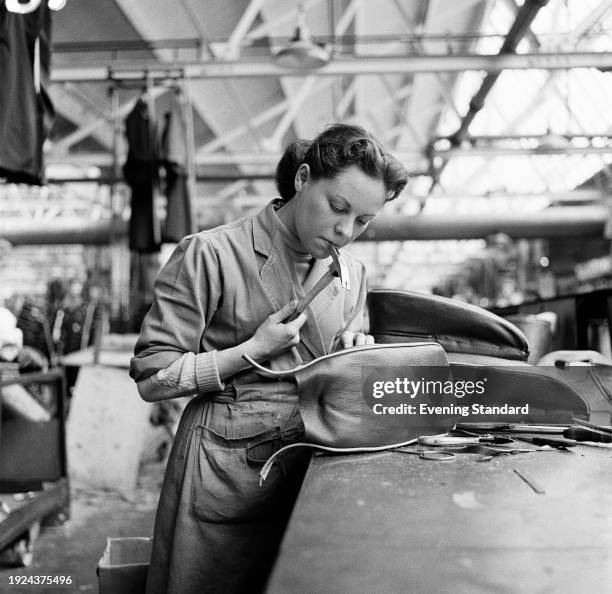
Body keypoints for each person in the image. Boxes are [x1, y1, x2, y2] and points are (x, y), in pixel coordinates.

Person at [129, 123, 408, 594]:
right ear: (302, 179)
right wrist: (251, 352)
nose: (346, 230)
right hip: (224, 466)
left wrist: (354, 357)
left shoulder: (352, 273)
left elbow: (348, 347)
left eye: (362, 221)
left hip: (314, 462)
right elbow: (152, 378)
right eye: (338, 207)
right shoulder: (210, 254)